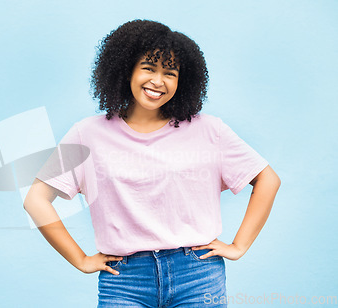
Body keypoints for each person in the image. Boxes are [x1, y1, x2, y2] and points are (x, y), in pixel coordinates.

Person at [23, 19, 281, 307]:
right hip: (124, 280)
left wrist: (239, 245)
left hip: (198, 275)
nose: (158, 81)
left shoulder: (209, 130)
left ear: (182, 81)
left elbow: (267, 179)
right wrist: (80, 259)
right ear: (126, 70)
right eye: (148, 68)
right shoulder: (88, 133)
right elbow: (36, 199)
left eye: (170, 73)